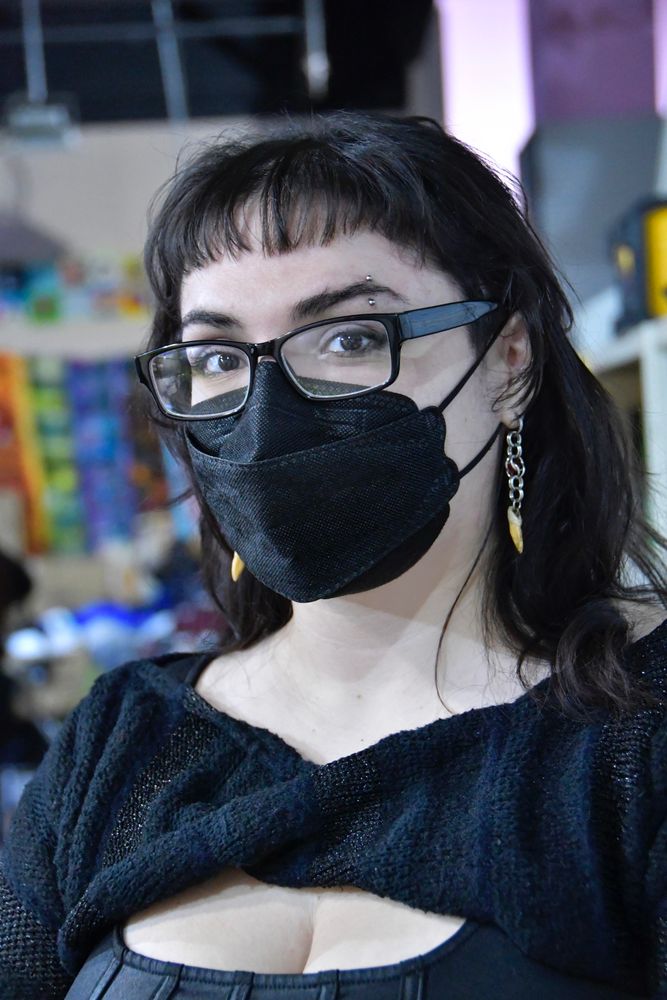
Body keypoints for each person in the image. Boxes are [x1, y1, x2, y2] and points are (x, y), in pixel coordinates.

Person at [1, 113, 666, 999]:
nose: (268, 406)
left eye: (351, 337)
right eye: (216, 355)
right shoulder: (117, 743)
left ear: (508, 363)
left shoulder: (632, 740)